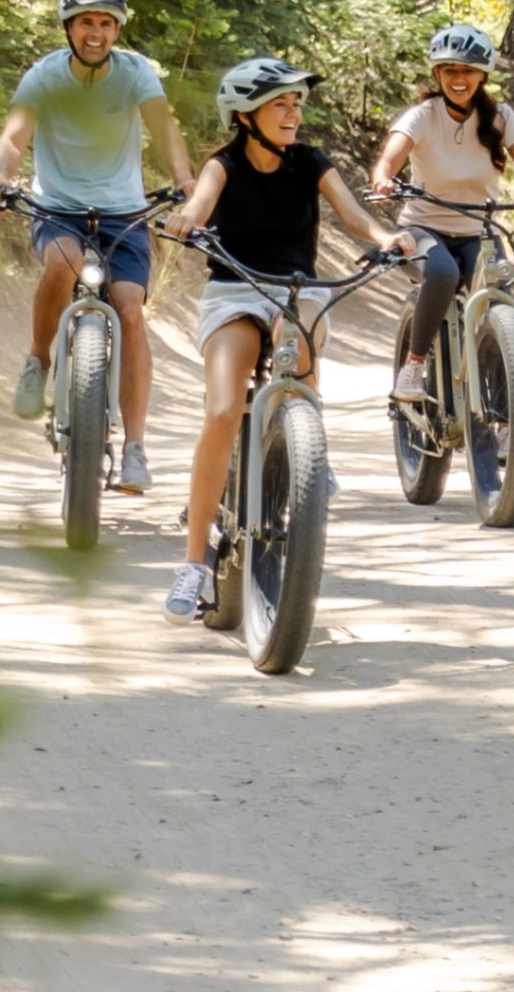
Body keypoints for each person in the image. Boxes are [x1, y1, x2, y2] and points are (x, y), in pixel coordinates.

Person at [161, 57, 407, 624]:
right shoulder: (222, 165)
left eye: (297, 103)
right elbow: (199, 203)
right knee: (223, 409)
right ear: (245, 115)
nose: (294, 113)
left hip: (298, 290)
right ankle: (194, 562)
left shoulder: (310, 162)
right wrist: (187, 220)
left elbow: (352, 216)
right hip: (233, 289)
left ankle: (305, 452)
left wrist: (387, 236)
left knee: (299, 348)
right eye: (281, 103)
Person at [0, 0, 191, 497]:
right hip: (58, 208)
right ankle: (39, 359)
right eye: (85, 23)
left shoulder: (136, 72)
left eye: (104, 23)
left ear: (116, 29)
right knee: (62, 264)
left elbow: (164, 128)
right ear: (69, 29)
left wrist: (186, 178)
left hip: (124, 213)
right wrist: (0, 175)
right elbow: (14, 134)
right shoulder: (46, 74)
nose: (95, 32)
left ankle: (136, 448)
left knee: (131, 312)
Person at [368, 22, 514, 408]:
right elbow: (388, 162)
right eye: (449, 70)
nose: (458, 79)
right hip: (422, 229)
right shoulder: (423, 116)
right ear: (437, 74)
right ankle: (413, 367)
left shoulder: (501, 117)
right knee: (443, 272)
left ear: (482, 75)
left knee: (498, 299)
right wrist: (384, 181)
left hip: (478, 231)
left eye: (467, 71)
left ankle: (503, 419)